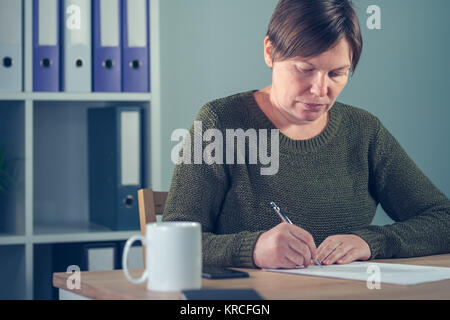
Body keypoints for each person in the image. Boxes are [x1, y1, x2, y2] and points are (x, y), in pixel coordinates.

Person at [162, 0, 450, 269]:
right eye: (305, 70)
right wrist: (254, 249)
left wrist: (370, 242)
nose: (320, 91)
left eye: (337, 74)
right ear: (269, 52)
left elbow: (443, 220)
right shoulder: (221, 123)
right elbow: (172, 245)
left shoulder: (364, 131)